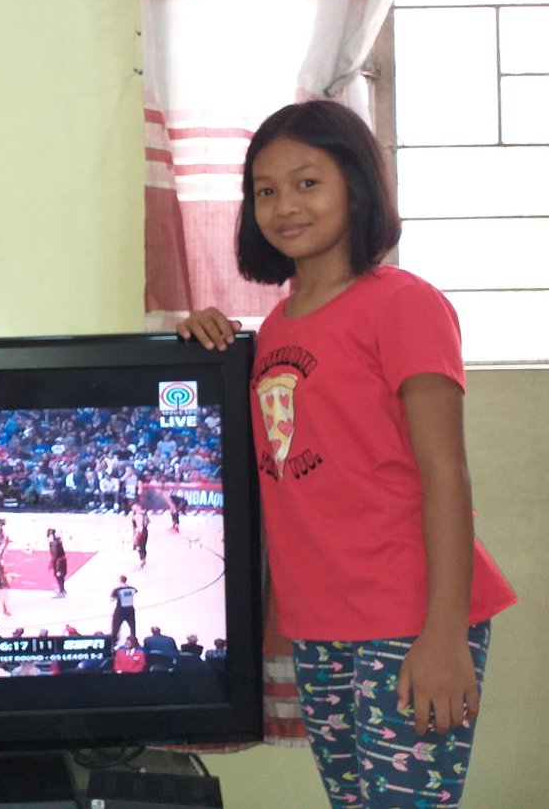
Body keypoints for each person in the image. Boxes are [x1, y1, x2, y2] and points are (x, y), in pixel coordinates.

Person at [177, 100, 516, 808]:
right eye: (265, 190)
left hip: (410, 616)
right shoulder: (273, 329)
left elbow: (445, 472)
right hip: (317, 623)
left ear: (357, 187)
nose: (284, 205)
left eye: (308, 182)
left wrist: (444, 634)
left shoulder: (404, 304)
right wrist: (203, 338)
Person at [110, 575, 138, 642]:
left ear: (120, 580)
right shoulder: (132, 589)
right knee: (132, 627)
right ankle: (133, 640)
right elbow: (136, 591)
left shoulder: (117, 590)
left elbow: (111, 599)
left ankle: (113, 641)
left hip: (120, 610)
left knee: (115, 627)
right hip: (130, 609)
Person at [46, 528, 67, 597]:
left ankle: (61, 590)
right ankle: (62, 589)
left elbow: (55, 554)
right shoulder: (57, 541)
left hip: (59, 562)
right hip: (61, 560)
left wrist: (51, 563)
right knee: (60, 575)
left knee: (59, 575)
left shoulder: (54, 543)